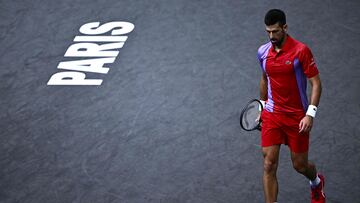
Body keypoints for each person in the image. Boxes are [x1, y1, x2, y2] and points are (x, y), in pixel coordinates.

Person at [257, 9, 325, 203]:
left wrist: (310, 114)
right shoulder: (263, 52)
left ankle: (316, 182)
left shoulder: (301, 51)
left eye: (275, 31)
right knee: (269, 164)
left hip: (297, 117)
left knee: (300, 165)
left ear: (285, 28)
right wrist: (262, 106)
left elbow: (316, 83)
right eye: (268, 32)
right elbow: (264, 79)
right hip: (272, 115)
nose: (271, 36)